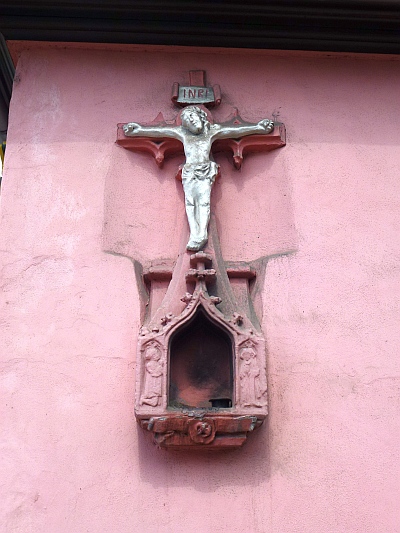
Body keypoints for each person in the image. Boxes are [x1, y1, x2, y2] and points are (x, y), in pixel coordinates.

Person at [123, 106, 273, 251]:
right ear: (185, 126)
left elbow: (234, 130)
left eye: (192, 116)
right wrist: (138, 131)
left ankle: (202, 234)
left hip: (205, 170)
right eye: (187, 120)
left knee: (203, 201)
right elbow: (160, 131)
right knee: (190, 202)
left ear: (200, 117)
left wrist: (258, 128)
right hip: (190, 171)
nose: (191, 121)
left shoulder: (211, 131)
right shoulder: (182, 133)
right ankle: (194, 234)